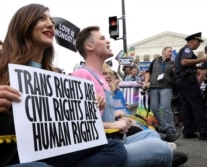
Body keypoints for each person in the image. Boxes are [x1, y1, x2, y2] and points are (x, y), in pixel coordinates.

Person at [0, 4, 127, 167]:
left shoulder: (57, 74)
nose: (51, 24)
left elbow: (67, 124)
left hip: (54, 151)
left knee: (115, 148)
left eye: (52, 21)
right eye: (42, 18)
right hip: (11, 155)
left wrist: (86, 105)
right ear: (23, 23)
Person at [72, 25, 188, 167]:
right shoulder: (81, 75)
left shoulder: (101, 77)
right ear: (89, 46)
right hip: (103, 147)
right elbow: (79, 125)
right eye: (102, 38)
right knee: (161, 149)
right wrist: (112, 124)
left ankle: (160, 157)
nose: (108, 41)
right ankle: (161, 156)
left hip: (116, 138)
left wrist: (118, 116)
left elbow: (99, 112)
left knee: (153, 135)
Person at [174, 32, 207, 140]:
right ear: (193, 41)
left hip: (181, 80)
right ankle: (204, 132)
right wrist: (202, 59)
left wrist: (199, 62)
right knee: (198, 104)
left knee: (186, 106)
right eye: (198, 43)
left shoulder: (183, 50)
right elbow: (184, 62)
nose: (198, 45)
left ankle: (188, 131)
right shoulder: (187, 50)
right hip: (187, 80)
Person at [142, 47, 180, 142]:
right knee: (154, 108)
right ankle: (164, 127)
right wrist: (145, 82)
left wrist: (174, 71)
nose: (171, 53)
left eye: (172, 51)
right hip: (153, 87)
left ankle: (171, 130)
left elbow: (175, 76)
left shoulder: (172, 63)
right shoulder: (155, 60)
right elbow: (148, 72)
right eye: (170, 51)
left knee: (166, 107)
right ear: (164, 52)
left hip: (166, 87)